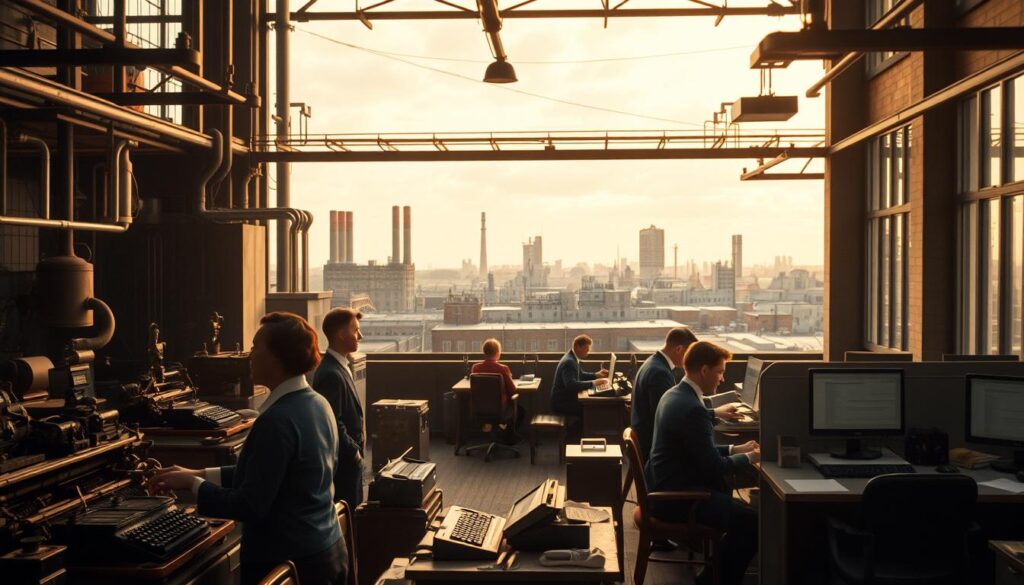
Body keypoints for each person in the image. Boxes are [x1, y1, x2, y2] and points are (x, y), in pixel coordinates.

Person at [147, 312, 347, 585]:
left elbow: (249, 506)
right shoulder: (318, 403)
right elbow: (268, 473)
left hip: (287, 561)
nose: (250, 356)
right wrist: (200, 472)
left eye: (256, 348)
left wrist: (194, 485)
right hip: (325, 551)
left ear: (279, 356)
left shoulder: (277, 420)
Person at [645, 341, 760, 585]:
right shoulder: (692, 408)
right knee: (752, 522)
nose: (722, 379)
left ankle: (712, 573)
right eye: (719, 372)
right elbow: (714, 467)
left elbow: (697, 451)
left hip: (666, 488)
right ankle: (713, 580)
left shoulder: (674, 394)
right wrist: (751, 457)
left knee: (742, 513)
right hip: (678, 499)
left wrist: (735, 448)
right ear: (705, 370)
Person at [631, 327, 742, 461]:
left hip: (647, 441)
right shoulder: (660, 373)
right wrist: (713, 413)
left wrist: (713, 411)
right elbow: (672, 417)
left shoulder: (654, 362)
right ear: (679, 349)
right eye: (689, 352)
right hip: (650, 448)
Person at [313, 308, 366, 508]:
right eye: (355, 330)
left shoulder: (340, 366)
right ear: (341, 334)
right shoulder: (330, 374)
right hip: (344, 462)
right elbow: (334, 421)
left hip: (350, 461)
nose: (360, 335)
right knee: (347, 516)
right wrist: (354, 452)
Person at [470, 338, 525, 442]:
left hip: (479, 409)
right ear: (497, 353)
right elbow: (513, 391)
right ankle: (508, 437)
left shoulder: (475, 368)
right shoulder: (502, 368)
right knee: (521, 410)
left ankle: (497, 434)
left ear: (484, 352)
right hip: (500, 409)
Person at [550, 334, 608, 417]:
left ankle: (582, 429)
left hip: (564, 400)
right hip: (562, 403)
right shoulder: (569, 362)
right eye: (586, 350)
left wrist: (596, 375)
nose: (588, 353)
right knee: (592, 408)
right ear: (577, 347)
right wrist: (594, 383)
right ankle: (580, 429)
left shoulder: (572, 357)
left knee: (592, 407)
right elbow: (571, 385)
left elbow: (581, 374)